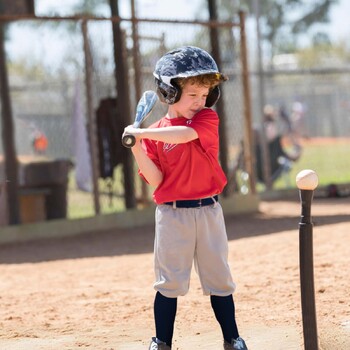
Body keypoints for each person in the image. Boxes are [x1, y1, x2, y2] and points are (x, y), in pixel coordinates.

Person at [122, 46, 248, 350]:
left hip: (208, 211)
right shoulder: (152, 134)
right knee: (169, 283)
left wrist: (143, 135)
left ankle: (232, 338)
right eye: (193, 95)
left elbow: (182, 135)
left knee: (219, 278)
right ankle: (161, 342)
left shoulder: (206, 120)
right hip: (172, 215)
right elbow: (155, 179)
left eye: (204, 95)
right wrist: (136, 145)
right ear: (168, 92)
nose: (200, 101)